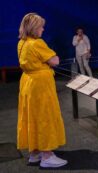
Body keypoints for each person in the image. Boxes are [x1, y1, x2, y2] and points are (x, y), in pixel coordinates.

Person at [17, 13, 67, 168]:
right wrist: (52, 58)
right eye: (40, 26)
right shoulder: (37, 43)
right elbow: (55, 61)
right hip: (40, 86)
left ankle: (34, 153)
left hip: (28, 83)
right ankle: (47, 155)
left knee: (32, 116)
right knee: (45, 116)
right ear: (34, 28)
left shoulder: (22, 43)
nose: (43, 29)